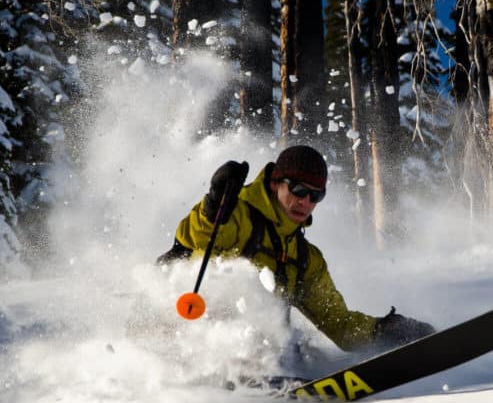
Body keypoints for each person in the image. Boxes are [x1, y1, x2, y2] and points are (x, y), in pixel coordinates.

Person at [159, 144, 434, 352]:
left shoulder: (305, 260)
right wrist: (213, 206)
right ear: (276, 183)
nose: (306, 201)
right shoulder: (238, 213)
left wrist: (383, 331)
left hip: (253, 354)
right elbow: (197, 237)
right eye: (300, 190)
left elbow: (337, 323)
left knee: (286, 345)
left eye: (316, 195)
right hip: (184, 338)